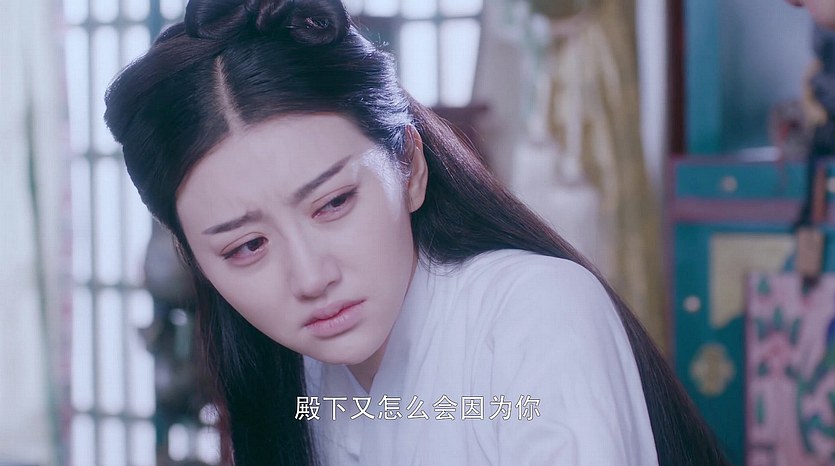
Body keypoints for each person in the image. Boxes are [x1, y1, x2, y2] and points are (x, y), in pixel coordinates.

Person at [104, 0, 729, 464]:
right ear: (195, 259)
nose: (311, 277)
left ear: (409, 166)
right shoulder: (304, 378)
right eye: (247, 246)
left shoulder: (533, 312)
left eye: (334, 203)